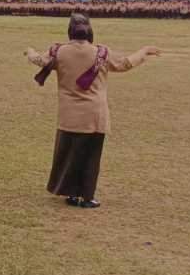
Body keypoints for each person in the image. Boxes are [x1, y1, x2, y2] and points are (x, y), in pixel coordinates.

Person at [25, 13, 160, 208]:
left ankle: (71, 194)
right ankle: (87, 197)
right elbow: (124, 64)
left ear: (70, 31)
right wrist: (144, 51)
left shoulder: (58, 52)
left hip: (69, 116)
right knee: (90, 158)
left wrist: (29, 51)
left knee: (69, 155)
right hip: (95, 116)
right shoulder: (101, 53)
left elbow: (39, 60)